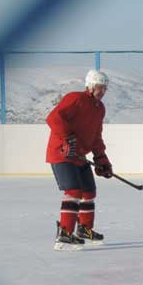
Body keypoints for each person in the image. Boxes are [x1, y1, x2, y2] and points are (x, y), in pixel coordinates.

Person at [46, 69, 113, 251]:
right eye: (100, 88)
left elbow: (96, 136)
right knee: (74, 191)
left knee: (89, 191)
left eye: (105, 88)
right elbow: (53, 118)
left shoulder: (100, 109)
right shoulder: (75, 98)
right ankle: (65, 233)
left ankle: (84, 229)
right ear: (90, 87)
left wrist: (101, 158)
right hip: (62, 154)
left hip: (80, 156)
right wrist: (68, 138)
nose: (103, 92)